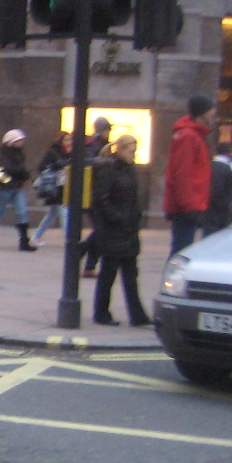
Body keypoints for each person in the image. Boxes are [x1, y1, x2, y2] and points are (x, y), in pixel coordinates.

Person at [89, 135, 150, 327]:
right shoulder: (109, 169)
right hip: (114, 230)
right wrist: (117, 218)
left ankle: (138, 315)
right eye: (131, 151)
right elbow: (101, 199)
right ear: (121, 149)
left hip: (128, 230)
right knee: (108, 273)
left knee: (131, 275)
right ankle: (101, 313)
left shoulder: (128, 169)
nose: (133, 155)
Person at [164, 93, 217, 255]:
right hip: (187, 207)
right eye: (210, 111)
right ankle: (173, 280)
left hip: (190, 205)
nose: (213, 113)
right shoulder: (188, 136)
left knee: (182, 250)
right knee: (181, 252)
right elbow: (182, 173)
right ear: (202, 113)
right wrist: (188, 206)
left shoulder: (193, 135)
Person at [0, 128, 34, 251]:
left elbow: (19, 169)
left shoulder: (19, 153)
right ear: (11, 141)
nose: (21, 142)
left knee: (22, 212)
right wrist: (22, 172)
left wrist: (23, 174)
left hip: (17, 187)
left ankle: (24, 242)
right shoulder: (3, 154)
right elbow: (9, 169)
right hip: (4, 188)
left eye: (21, 140)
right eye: (18, 140)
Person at [78, 116, 112, 275]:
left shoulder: (105, 145)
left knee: (101, 232)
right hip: (94, 193)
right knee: (101, 231)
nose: (109, 132)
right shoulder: (92, 145)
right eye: (107, 129)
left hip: (102, 192)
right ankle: (79, 253)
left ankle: (89, 265)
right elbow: (88, 163)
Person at [31, 130, 73, 247]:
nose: (69, 142)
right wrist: (56, 165)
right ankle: (69, 239)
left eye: (70, 140)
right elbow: (42, 167)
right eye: (66, 140)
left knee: (53, 213)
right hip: (55, 187)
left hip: (63, 186)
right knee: (64, 212)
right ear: (61, 141)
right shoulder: (53, 152)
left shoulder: (70, 152)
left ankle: (37, 236)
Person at [206, 142, 232, 233]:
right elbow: (217, 189)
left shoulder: (223, 165)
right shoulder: (224, 166)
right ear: (228, 152)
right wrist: (225, 205)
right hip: (223, 209)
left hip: (226, 206)